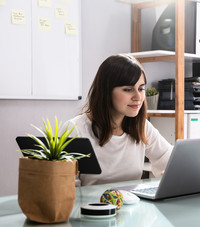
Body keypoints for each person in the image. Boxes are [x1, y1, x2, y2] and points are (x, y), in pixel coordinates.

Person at [68, 54, 173, 186]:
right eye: (128, 89)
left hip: (132, 205)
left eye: (141, 89)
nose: (138, 97)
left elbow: (167, 157)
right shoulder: (75, 130)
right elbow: (67, 191)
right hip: (92, 206)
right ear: (106, 91)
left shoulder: (141, 126)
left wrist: (177, 170)